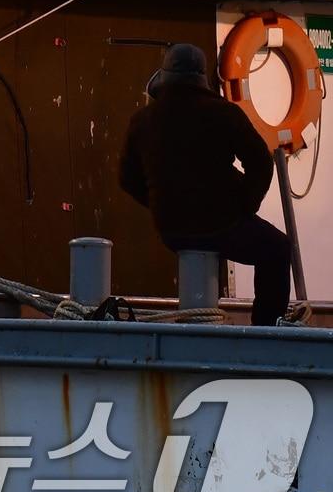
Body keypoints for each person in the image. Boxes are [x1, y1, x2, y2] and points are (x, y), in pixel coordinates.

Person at [119, 43, 291, 326]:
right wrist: (245, 204)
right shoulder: (223, 113)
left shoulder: (142, 120)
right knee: (277, 249)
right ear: (201, 78)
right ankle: (266, 331)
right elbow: (261, 162)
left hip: (171, 230)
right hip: (221, 225)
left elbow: (127, 179)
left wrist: (160, 201)